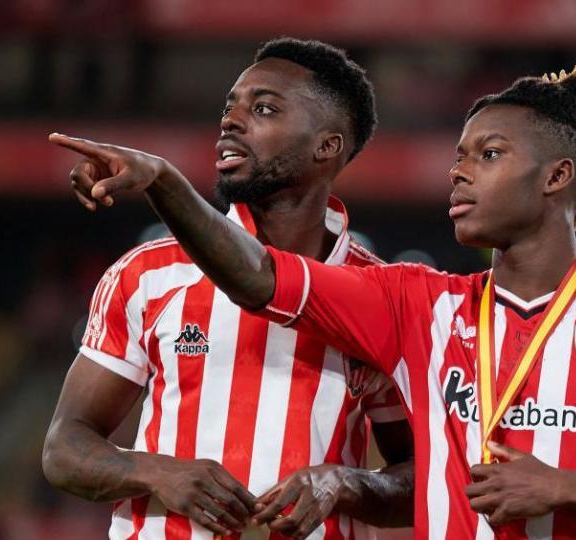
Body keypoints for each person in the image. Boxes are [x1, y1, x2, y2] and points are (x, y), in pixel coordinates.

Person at [49, 54, 576, 539]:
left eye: (487, 155)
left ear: (556, 176)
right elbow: (259, 277)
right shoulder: (417, 303)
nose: (457, 174)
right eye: (457, 157)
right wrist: (166, 182)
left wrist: (562, 488)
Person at [42, 38, 414, 540]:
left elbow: (420, 477)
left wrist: (343, 482)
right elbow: (63, 449)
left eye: (262, 109)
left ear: (326, 146)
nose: (231, 121)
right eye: (230, 107)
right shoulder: (150, 273)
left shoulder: (380, 296)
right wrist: (157, 471)